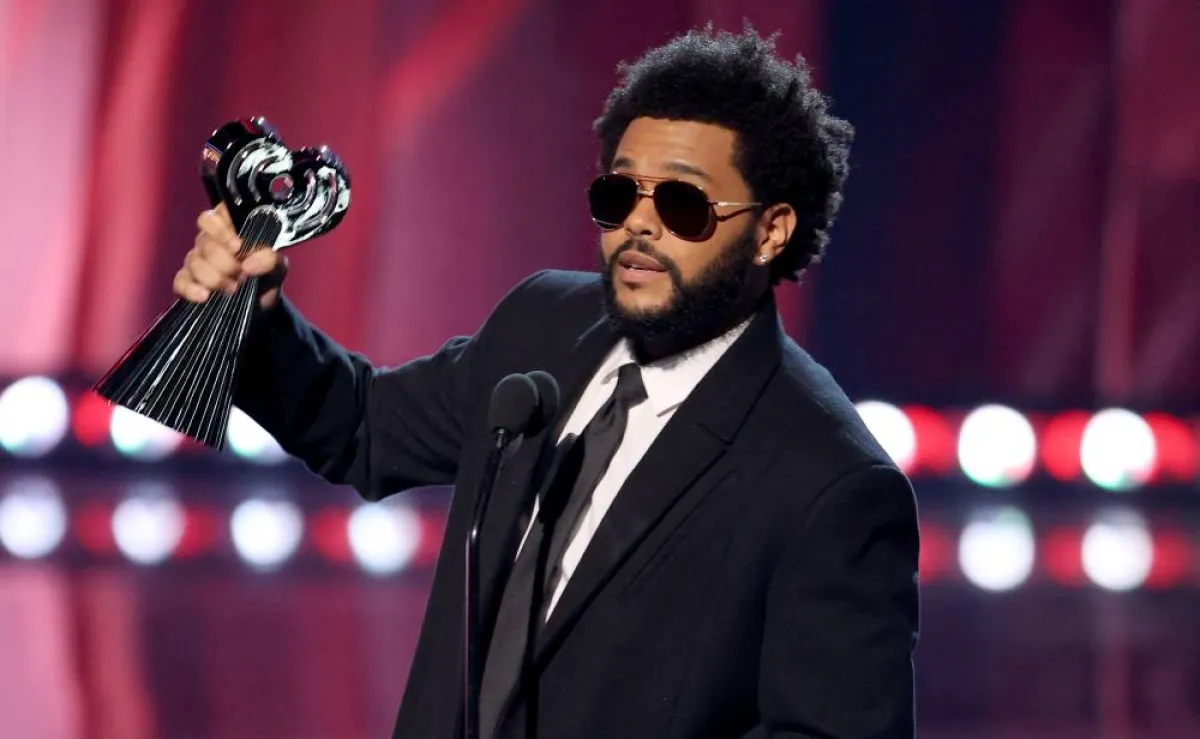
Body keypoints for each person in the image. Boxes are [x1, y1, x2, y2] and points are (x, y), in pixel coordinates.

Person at [177, 25, 919, 739]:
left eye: (683, 205)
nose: (638, 225)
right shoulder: (541, 325)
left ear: (771, 229)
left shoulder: (829, 482)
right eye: (618, 194)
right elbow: (364, 428)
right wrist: (258, 313)